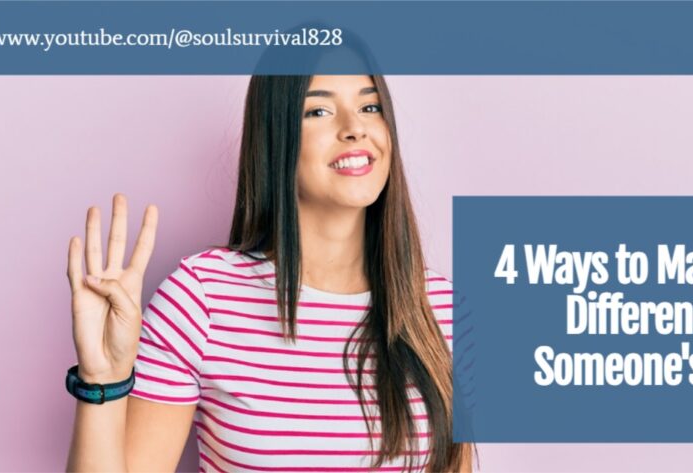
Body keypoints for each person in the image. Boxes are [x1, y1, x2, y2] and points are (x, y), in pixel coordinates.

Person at [65, 74, 475, 472]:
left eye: (370, 106)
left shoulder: (441, 309)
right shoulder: (202, 298)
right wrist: (103, 377)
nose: (355, 129)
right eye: (317, 111)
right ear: (275, 138)